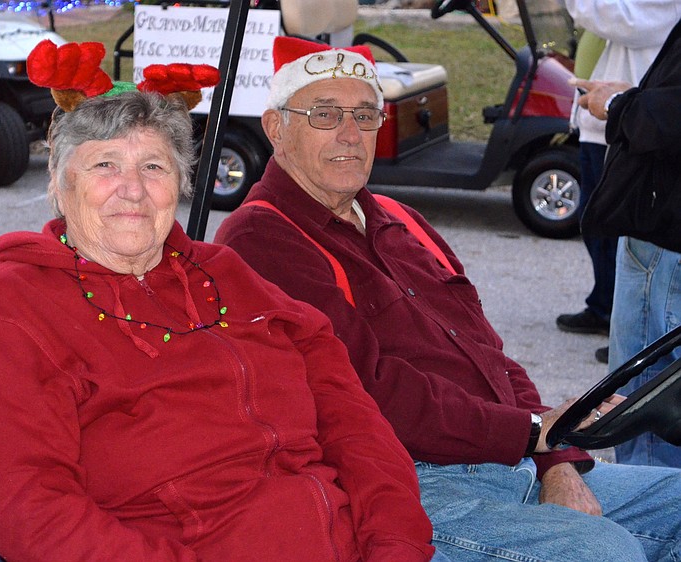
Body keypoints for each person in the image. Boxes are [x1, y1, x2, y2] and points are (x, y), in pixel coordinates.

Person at [0, 41, 442, 562]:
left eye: (154, 167)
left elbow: (355, 425)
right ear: (60, 182)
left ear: (180, 181)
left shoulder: (226, 273)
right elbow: (28, 504)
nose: (132, 189)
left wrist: (395, 545)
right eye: (105, 165)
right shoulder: (11, 307)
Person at [215, 35, 681, 561]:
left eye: (365, 116)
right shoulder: (260, 238)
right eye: (325, 115)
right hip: (405, 479)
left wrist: (555, 458)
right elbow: (368, 393)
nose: (350, 134)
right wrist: (532, 433)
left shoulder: (401, 219)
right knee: (602, 552)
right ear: (276, 128)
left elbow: (490, 357)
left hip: (506, 457)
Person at [572, 15, 681, 468]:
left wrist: (619, 104)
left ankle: (656, 503)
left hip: (667, 238)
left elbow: (669, 120)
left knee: (647, 402)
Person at [557, 0, 679, 362]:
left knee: (642, 375)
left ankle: (604, 307)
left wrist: (618, 104)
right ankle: (602, 304)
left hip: (664, 219)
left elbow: (624, 19)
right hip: (625, 135)